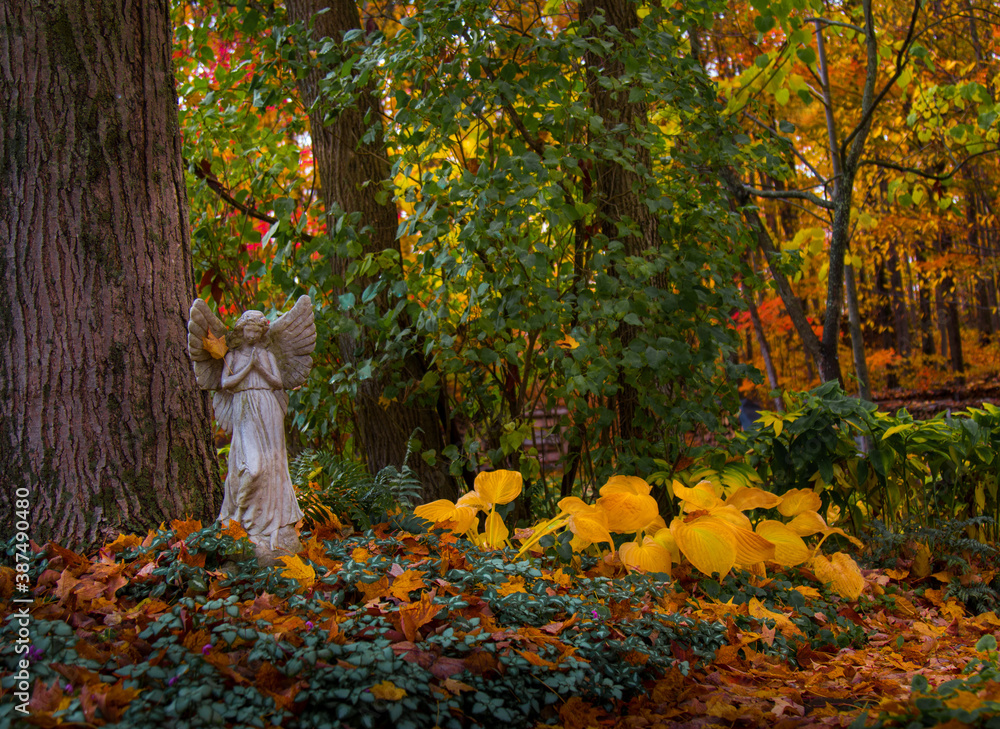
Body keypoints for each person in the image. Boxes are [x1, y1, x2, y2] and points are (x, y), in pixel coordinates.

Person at [216, 310, 303, 552]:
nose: (252, 334)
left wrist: (260, 368)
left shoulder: (266, 354)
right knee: (252, 467)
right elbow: (226, 384)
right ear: (242, 331)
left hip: (268, 407)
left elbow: (277, 382)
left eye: (256, 331)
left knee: (272, 464)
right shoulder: (232, 356)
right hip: (244, 407)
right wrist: (248, 369)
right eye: (248, 330)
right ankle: (237, 516)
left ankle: (266, 523)